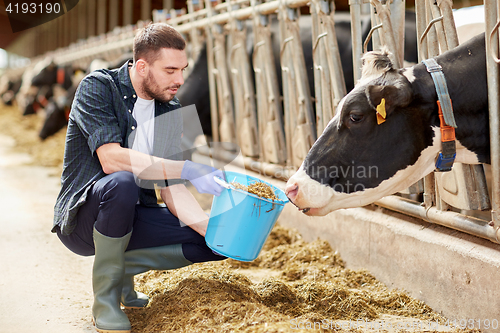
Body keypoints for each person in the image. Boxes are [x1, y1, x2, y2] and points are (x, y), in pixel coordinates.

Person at [52, 23, 226, 333]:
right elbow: (110, 159)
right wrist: (187, 168)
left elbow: (172, 191)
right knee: (123, 182)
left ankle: (120, 273)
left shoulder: (171, 111)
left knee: (215, 243)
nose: (180, 80)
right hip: (84, 221)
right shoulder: (98, 87)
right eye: (170, 70)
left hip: (133, 217)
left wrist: (206, 228)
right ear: (142, 66)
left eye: (182, 69)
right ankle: (105, 299)